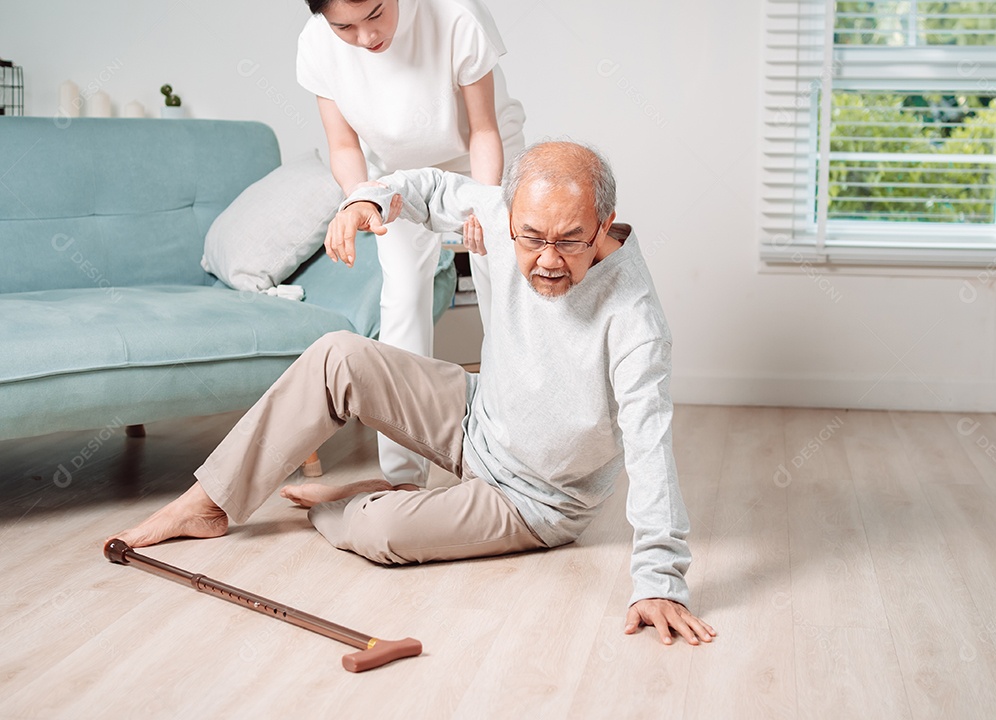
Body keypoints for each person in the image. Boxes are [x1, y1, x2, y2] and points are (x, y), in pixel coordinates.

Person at [111, 142, 715, 646]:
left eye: (569, 241)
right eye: (530, 238)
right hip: (476, 416)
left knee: (381, 534)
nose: (546, 261)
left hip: (536, 500)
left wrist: (659, 581)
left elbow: (651, 450)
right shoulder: (503, 215)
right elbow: (424, 188)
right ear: (511, 215)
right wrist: (364, 200)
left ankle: (362, 503)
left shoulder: (636, 321)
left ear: (605, 226)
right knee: (337, 355)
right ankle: (211, 501)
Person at [297, 0, 526, 487]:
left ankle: (512, 464)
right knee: (401, 301)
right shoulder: (316, 43)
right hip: (398, 174)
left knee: (501, 298)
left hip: (482, 160)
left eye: (375, 14)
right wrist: (359, 201)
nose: (365, 37)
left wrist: (485, 206)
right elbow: (344, 146)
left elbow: (484, 129)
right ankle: (402, 476)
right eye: (344, 26)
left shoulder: (456, 15)